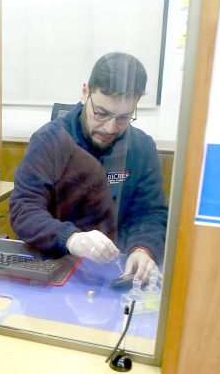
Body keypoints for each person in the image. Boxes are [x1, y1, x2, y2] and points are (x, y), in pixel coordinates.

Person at [9, 52, 167, 282]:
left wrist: (143, 249)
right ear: (85, 92)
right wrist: (71, 238)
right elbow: (25, 209)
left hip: (116, 272)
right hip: (53, 265)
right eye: (101, 113)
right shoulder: (50, 141)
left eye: (124, 117)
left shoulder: (141, 147)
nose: (110, 128)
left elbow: (150, 214)